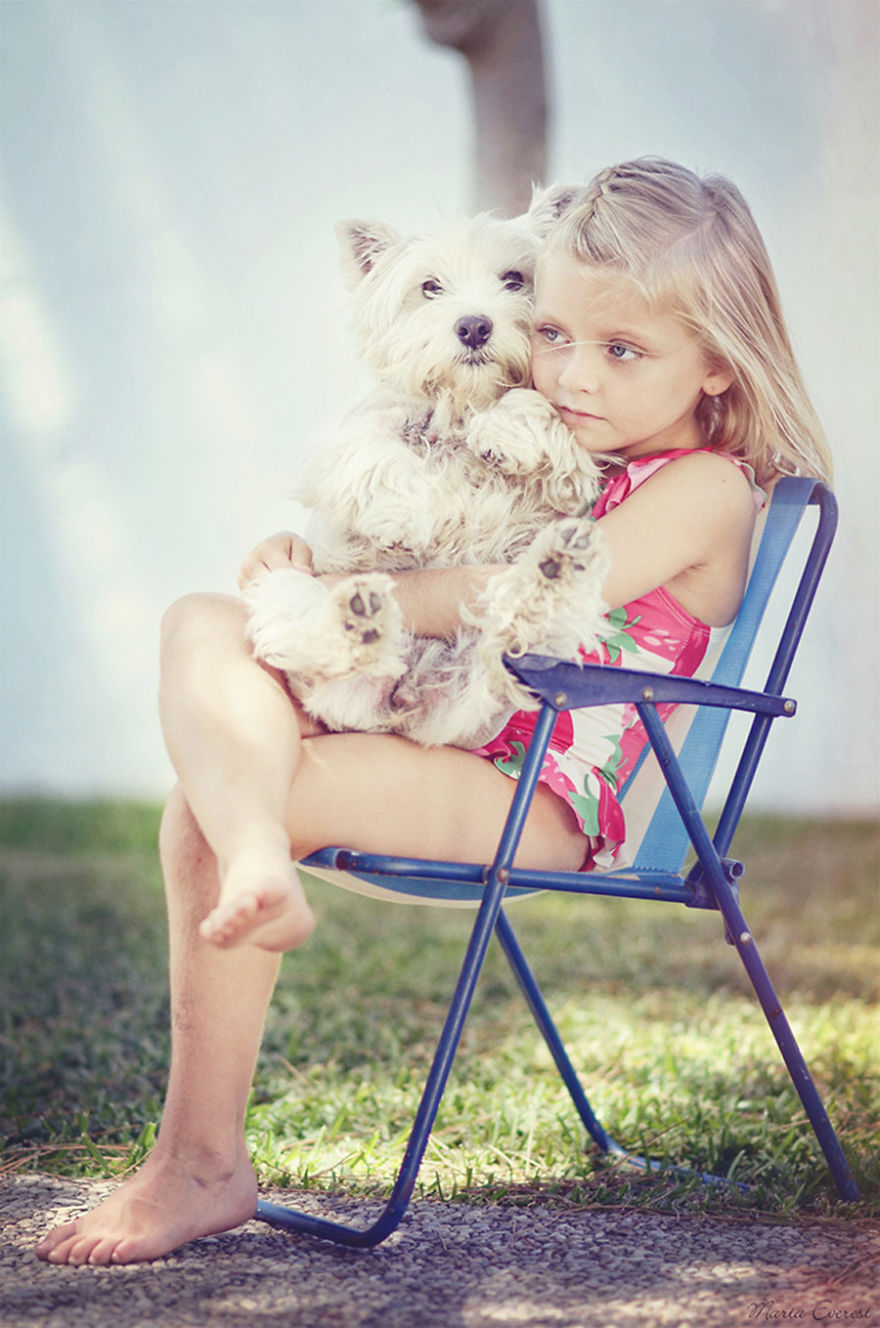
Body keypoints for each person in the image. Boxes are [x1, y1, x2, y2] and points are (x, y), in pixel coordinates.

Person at [36, 158, 832, 1266]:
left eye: (620, 350)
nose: (569, 373)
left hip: (536, 790)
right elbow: (432, 539)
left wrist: (337, 608)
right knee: (204, 617)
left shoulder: (699, 488)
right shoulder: (561, 446)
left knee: (204, 809)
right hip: (447, 728)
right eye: (551, 331)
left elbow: (501, 592)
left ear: (714, 365)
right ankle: (259, 851)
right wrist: (308, 573)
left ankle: (202, 1158)